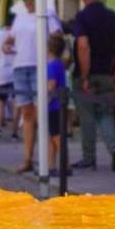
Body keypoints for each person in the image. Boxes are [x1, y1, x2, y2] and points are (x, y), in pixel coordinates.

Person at [3, 0, 63, 173]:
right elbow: (10, 39)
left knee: (41, 114)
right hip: (20, 66)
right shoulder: (19, 18)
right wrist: (6, 46)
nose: (28, 2)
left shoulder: (47, 14)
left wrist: (52, 55)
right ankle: (27, 159)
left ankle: (49, 161)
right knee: (27, 115)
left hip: (40, 67)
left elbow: (58, 37)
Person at [69, 0, 115, 171]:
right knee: (105, 114)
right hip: (108, 73)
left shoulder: (82, 18)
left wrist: (84, 76)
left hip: (88, 74)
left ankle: (89, 157)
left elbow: (83, 47)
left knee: (88, 117)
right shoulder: (113, 16)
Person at [45, 31, 70, 172]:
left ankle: (64, 165)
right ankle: (51, 165)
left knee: (56, 137)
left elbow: (51, 86)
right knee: (52, 137)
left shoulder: (53, 65)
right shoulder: (59, 64)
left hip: (53, 106)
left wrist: (44, 102)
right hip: (56, 105)